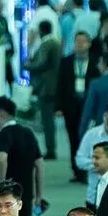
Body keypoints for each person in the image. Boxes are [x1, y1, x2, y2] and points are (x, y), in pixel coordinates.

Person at [0, 97, 44, 216]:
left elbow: (1, 158)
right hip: (25, 193)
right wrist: (39, 195)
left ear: (1, 114)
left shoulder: (2, 134)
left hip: (7, 195)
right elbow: (39, 164)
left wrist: (0, 184)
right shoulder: (28, 133)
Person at [56, 30, 100, 184]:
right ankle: (77, 170)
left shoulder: (95, 61)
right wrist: (58, 106)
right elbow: (60, 84)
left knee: (89, 137)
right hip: (71, 105)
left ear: (89, 44)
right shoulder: (66, 61)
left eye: (83, 42)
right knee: (73, 138)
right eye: (77, 42)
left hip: (88, 105)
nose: (80, 45)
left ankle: (89, 168)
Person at [25, 20, 63, 159]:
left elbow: (41, 64)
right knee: (49, 119)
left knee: (47, 120)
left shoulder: (46, 44)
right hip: (54, 86)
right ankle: (51, 148)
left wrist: (27, 65)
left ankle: (50, 149)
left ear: (41, 31)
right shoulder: (56, 43)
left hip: (46, 87)